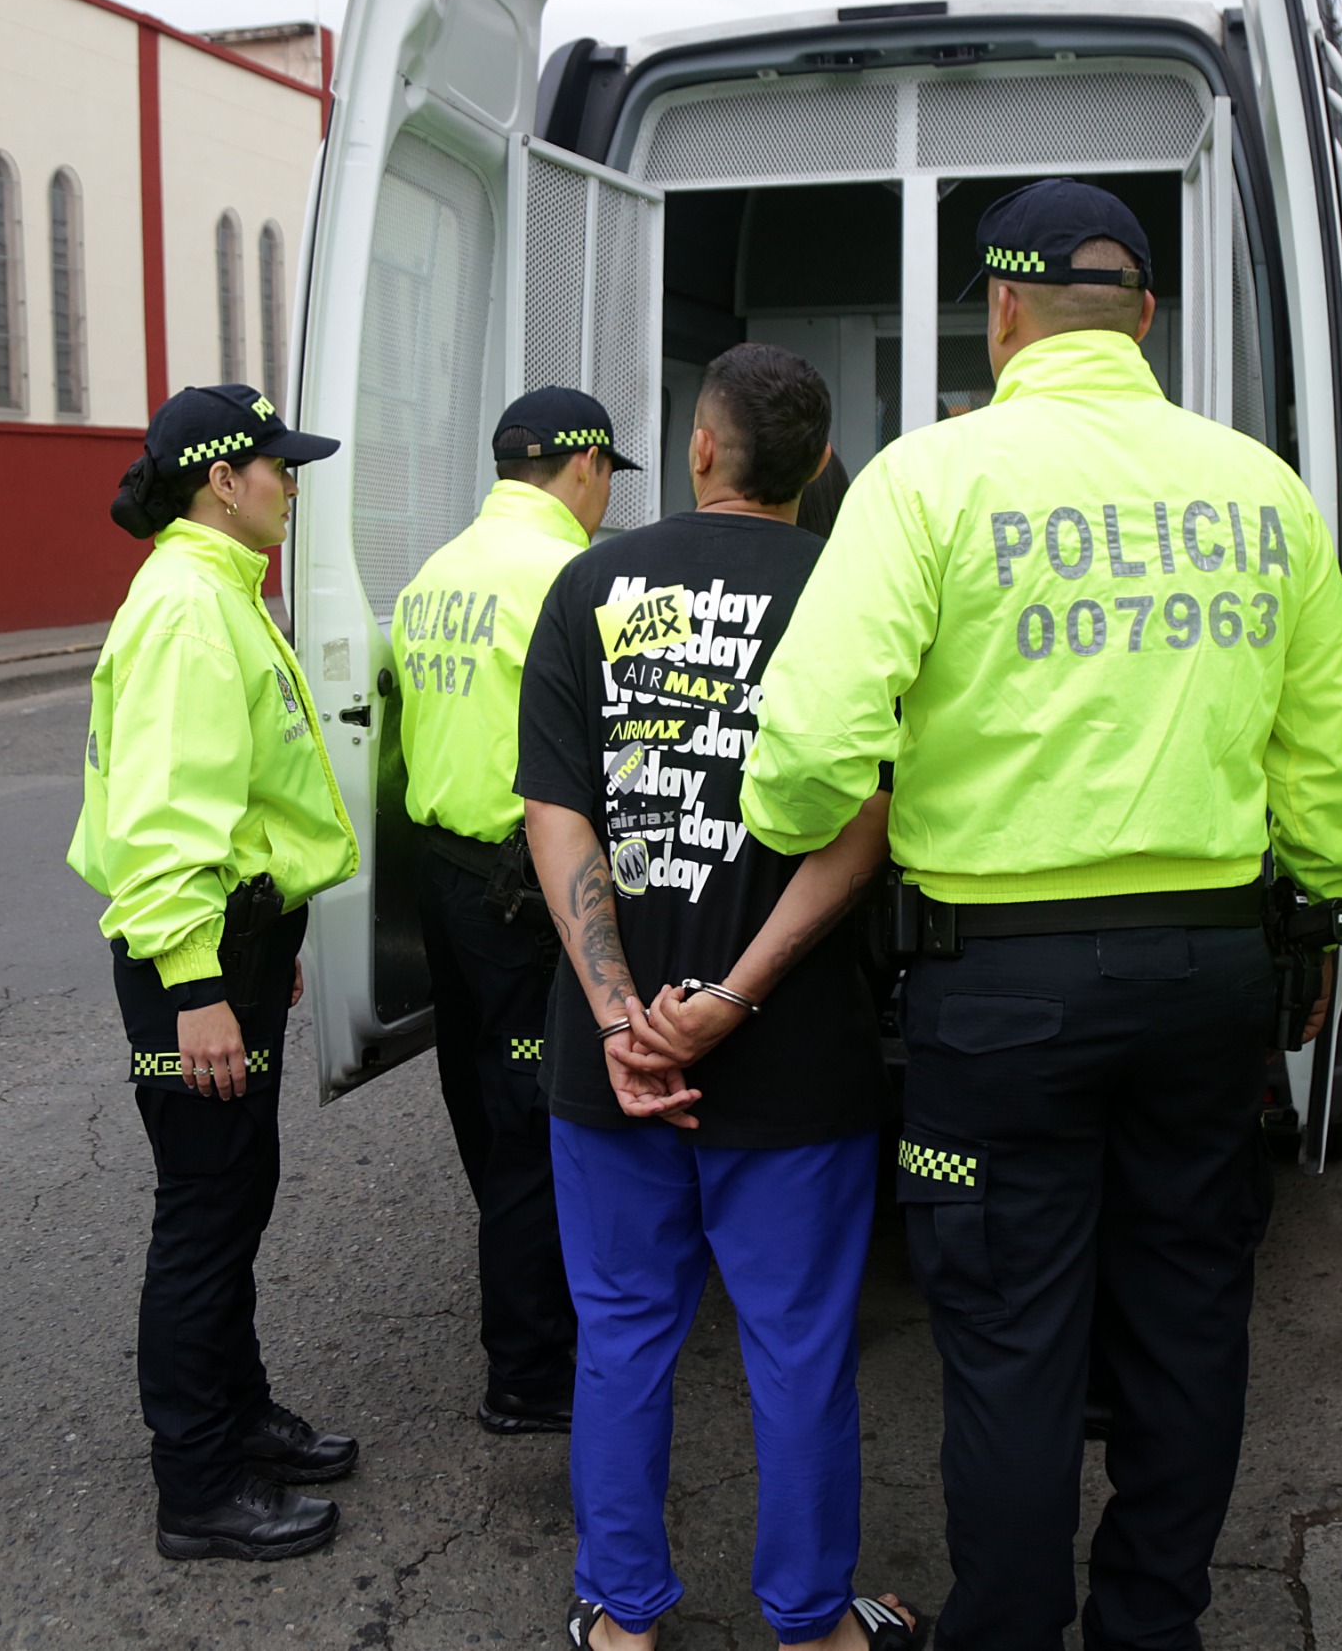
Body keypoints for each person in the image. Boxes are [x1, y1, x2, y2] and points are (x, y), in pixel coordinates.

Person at [742, 178, 1342, 1651]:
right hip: (1208, 972)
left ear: (1003, 309)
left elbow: (807, 751)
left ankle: (1012, 1627)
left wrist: (796, 829)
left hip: (999, 993)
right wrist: (1314, 903)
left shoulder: (927, 479)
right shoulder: (1260, 487)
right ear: (1147, 315)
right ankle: (1153, 1626)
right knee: (1185, 1322)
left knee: (1012, 1339)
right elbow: (1337, 770)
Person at [517, 343, 921, 1651]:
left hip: (613, 1054)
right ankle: (812, 1624)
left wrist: (625, 1010)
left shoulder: (588, 585)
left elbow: (558, 816)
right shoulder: (848, 590)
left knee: (625, 1326)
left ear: (701, 447)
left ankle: (624, 1618)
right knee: (799, 1341)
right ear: (817, 466)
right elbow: (865, 823)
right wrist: (732, 999)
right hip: (793, 1046)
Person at [69, 383, 363, 1562]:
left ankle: (237, 1414)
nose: (293, 481)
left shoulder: (215, 590)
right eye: (276, 465)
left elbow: (236, 805)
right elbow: (161, 823)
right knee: (203, 1208)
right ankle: (197, 1481)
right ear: (219, 480)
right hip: (196, 954)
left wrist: (256, 951)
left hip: (235, 942)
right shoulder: (193, 608)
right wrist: (198, 984)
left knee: (234, 1189)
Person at [391, 386, 631, 1434]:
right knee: (540, 1125)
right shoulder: (572, 578)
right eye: (610, 472)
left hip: (447, 877)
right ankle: (532, 1371)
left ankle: (526, 1329)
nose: (608, 492)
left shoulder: (433, 574)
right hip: (525, 887)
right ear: (584, 465)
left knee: (486, 1109)